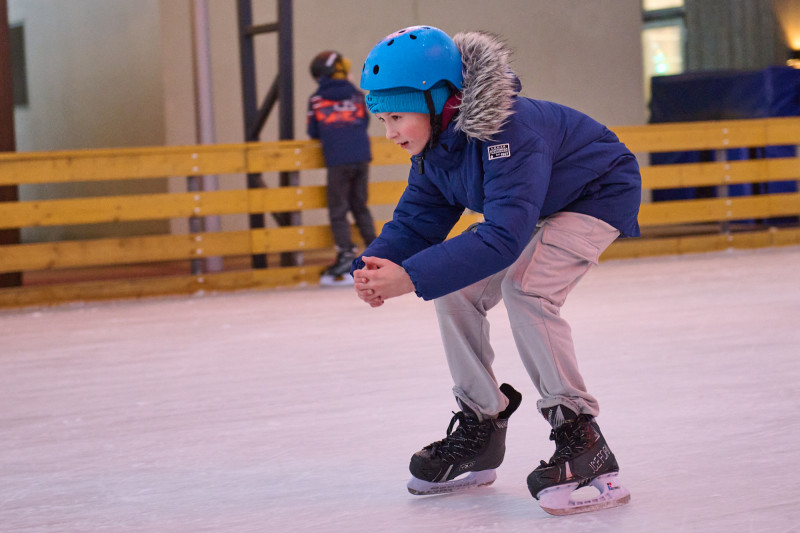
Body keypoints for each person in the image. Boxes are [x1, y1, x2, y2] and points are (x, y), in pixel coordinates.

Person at [351, 26, 639, 515]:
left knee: (527, 290)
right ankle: (482, 422)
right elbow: (418, 218)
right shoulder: (438, 148)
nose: (390, 134)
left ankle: (582, 435)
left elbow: (504, 236)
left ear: (440, 101)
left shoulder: (509, 132)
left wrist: (411, 277)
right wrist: (377, 264)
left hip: (597, 192)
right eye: (382, 120)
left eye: (397, 117)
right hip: (536, 203)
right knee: (456, 289)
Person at [307, 50, 377, 285]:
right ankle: (377, 250)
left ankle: (346, 254)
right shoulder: (357, 96)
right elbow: (365, 122)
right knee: (360, 206)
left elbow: (313, 131)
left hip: (337, 160)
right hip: (361, 158)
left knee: (338, 208)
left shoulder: (317, 100)